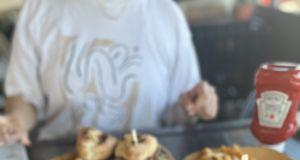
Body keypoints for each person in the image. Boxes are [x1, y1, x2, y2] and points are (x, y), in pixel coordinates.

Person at [0, 0, 218, 146]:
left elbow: (180, 111)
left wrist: (196, 104)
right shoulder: (39, 8)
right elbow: (23, 97)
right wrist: (15, 123)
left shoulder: (165, 13)